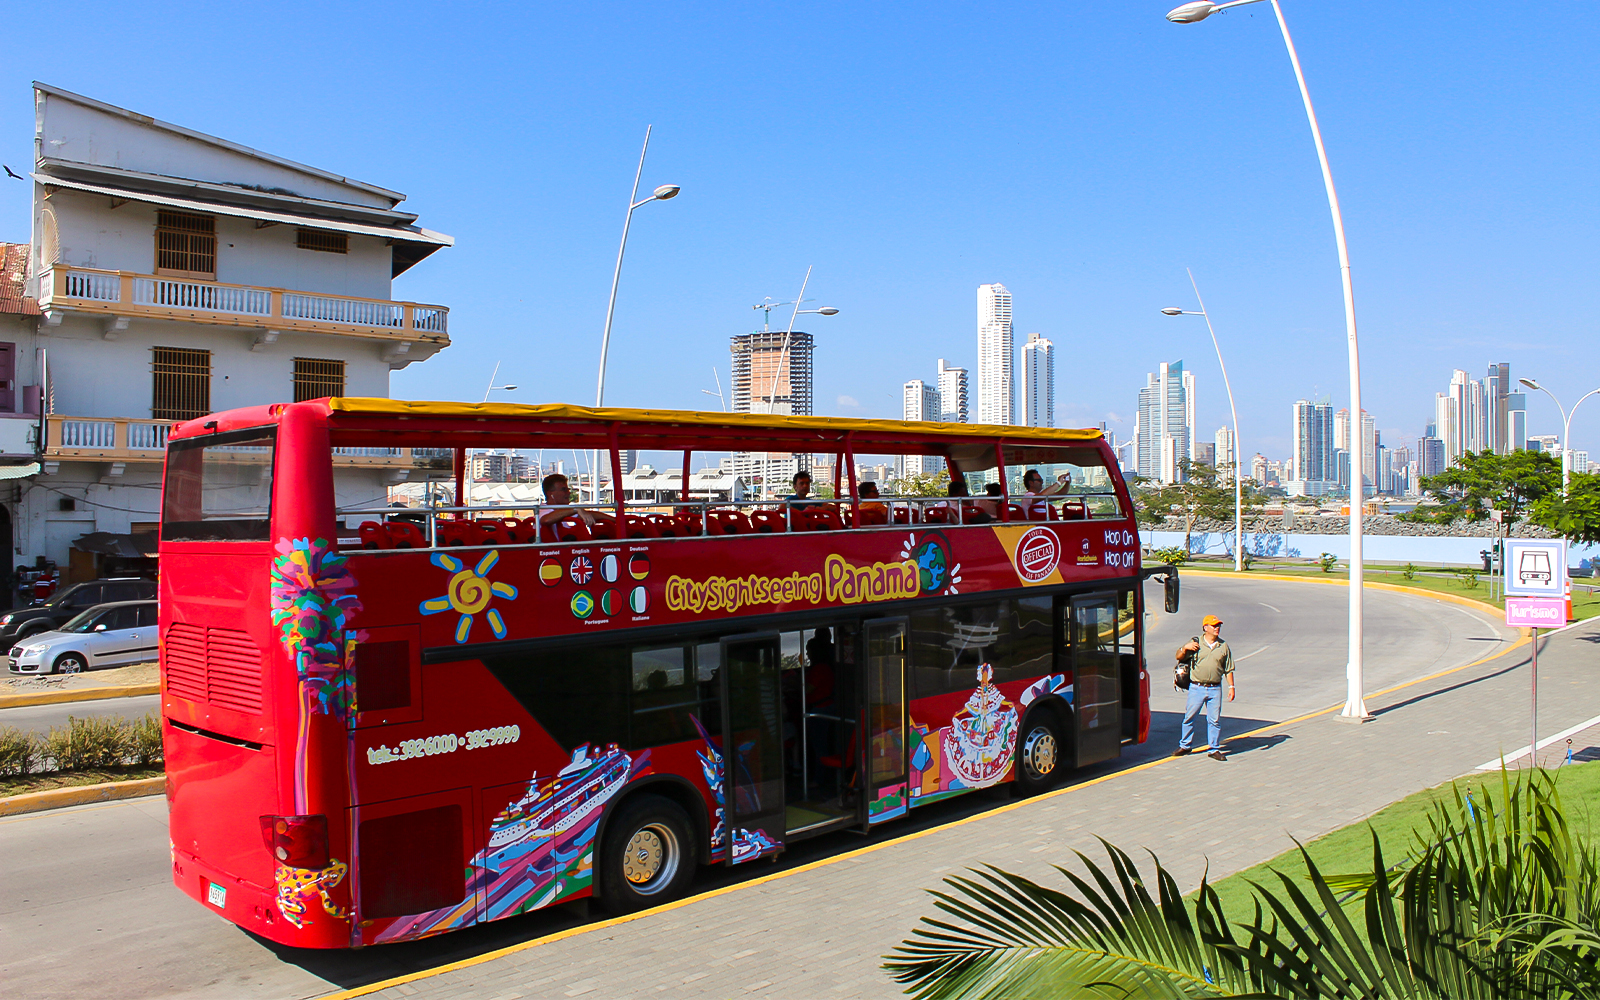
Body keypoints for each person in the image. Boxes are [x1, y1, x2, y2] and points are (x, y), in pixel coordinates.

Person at [1173, 614, 1236, 761]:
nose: (1217, 628)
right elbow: (1178, 656)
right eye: (1214, 626)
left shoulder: (1223, 646)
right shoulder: (1196, 643)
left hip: (1215, 688)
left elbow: (1229, 669)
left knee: (1214, 720)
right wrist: (1184, 647)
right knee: (1189, 717)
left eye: (1218, 626)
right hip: (1197, 687)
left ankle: (1213, 749)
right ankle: (1185, 745)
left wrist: (1231, 687)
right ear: (1205, 628)